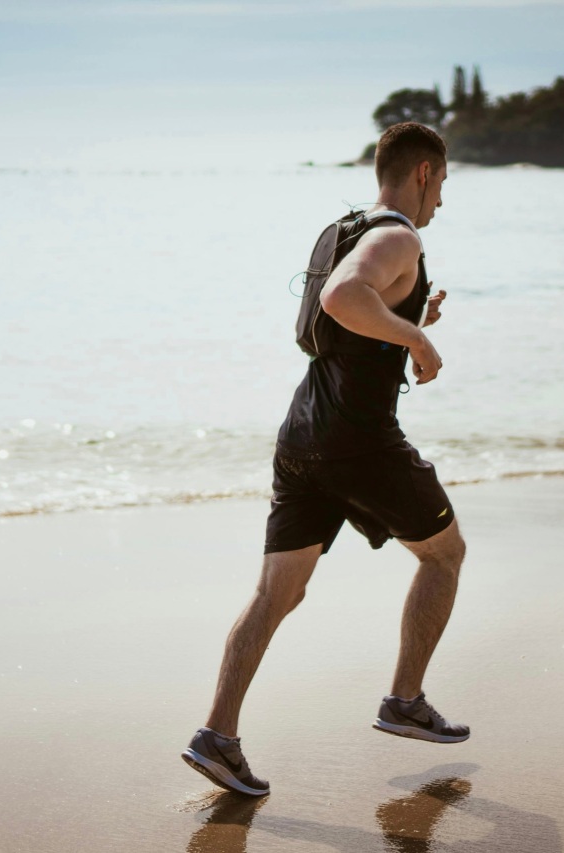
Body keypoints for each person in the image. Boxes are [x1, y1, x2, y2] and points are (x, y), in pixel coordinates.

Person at [182, 122, 469, 797]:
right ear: (423, 173)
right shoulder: (400, 235)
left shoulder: (342, 228)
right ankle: (404, 699)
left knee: (276, 593)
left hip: (302, 435)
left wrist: (405, 319)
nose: (442, 203)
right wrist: (418, 344)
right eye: (444, 184)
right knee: (445, 554)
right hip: (358, 441)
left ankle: (216, 735)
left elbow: (332, 325)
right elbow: (344, 299)